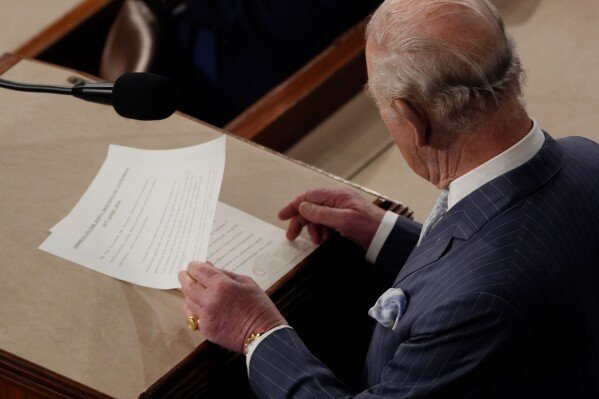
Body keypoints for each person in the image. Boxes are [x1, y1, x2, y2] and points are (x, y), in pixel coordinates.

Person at [178, 0, 599, 397]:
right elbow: (503, 247)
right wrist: (384, 231)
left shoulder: (476, 305)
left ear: (413, 120)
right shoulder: (586, 156)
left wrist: (255, 330)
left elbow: (482, 285)